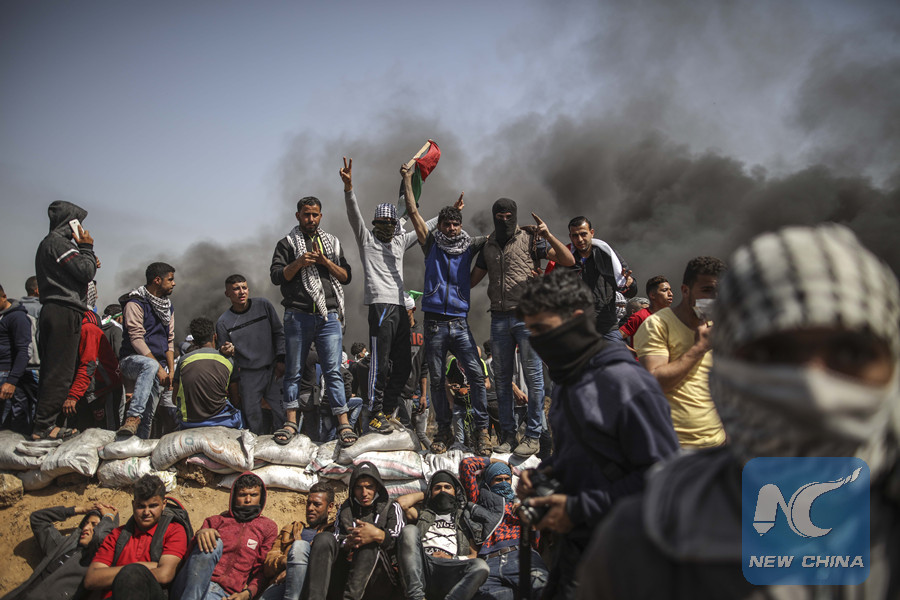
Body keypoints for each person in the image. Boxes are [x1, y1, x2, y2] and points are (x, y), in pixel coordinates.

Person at [579, 223, 900, 599]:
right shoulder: (644, 540)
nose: (814, 390)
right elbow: (654, 379)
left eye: (851, 354)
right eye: (772, 354)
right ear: (726, 375)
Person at [513, 269, 679, 599]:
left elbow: (663, 479)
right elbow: (580, 454)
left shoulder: (626, 383)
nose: (537, 342)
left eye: (543, 329)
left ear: (576, 319)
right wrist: (545, 473)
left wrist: (579, 508)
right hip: (577, 553)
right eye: (531, 332)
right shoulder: (567, 385)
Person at [470, 199, 575, 457]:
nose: (504, 220)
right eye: (499, 216)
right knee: (502, 380)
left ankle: (533, 435)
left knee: (534, 378)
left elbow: (568, 259)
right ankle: (508, 435)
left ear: (514, 216)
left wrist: (548, 236)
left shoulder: (531, 240)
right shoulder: (488, 246)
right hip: (499, 317)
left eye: (509, 216)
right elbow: (471, 280)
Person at [341, 157, 438, 435]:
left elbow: (423, 226)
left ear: (395, 223)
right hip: (380, 306)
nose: (385, 226)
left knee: (404, 364)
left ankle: (386, 410)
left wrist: (447, 214)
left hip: (399, 306)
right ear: (374, 223)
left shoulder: (399, 241)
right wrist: (349, 188)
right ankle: (374, 414)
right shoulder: (367, 240)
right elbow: (354, 215)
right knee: (379, 364)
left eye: (389, 222)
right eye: (380, 222)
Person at [400, 166, 491, 455]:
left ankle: (482, 431)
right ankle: (443, 431)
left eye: (455, 224)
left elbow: (496, 238)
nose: (451, 229)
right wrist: (407, 179)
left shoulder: (469, 245)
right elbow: (413, 213)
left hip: (460, 322)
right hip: (434, 323)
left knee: (476, 374)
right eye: (447, 224)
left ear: (460, 225)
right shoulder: (431, 244)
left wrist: (522, 231)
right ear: (439, 226)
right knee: (437, 380)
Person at [270, 195, 353, 446]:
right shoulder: (287, 244)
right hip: (298, 315)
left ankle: (344, 424)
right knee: (293, 371)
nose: (311, 219)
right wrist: (299, 262)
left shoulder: (332, 243)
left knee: (333, 372)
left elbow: (346, 276)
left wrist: (325, 262)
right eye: (306, 214)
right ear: (298, 216)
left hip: (329, 315)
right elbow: (277, 276)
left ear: (320, 216)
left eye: (315, 214)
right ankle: (290, 423)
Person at [634, 256, 728, 448]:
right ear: (685, 290)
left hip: (718, 443)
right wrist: (698, 348)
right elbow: (655, 382)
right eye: (707, 290)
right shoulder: (657, 325)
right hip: (676, 445)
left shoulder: (717, 326)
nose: (713, 298)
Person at [32, 200, 98, 440]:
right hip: (64, 311)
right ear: (70, 223)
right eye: (78, 222)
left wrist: (87, 257)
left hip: (56, 310)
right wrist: (87, 249)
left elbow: (80, 270)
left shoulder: (51, 244)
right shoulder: (59, 244)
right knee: (60, 372)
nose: (81, 228)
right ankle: (45, 426)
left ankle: (46, 424)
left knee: (53, 369)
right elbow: (85, 272)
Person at [305, 461, 405, 600]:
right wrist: (348, 543)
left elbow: (399, 539)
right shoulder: (345, 509)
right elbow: (336, 536)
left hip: (379, 578)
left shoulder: (391, 507)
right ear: (352, 488)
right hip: (346, 571)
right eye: (359, 487)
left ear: (377, 487)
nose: (364, 493)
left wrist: (378, 535)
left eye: (369, 487)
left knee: (368, 543)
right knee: (323, 538)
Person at [171, 472, 277, 600]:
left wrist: (247, 594)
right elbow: (190, 558)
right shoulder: (215, 521)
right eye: (242, 495)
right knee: (213, 540)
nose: (248, 500)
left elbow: (261, 570)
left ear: (261, 497)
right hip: (189, 585)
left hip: (222, 594)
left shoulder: (267, 528)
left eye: (254, 495)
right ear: (234, 497)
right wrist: (200, 535)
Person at [85, 474, 190, 600]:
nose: (146, 512)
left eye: (153, 506)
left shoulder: (174, 531)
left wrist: (129, 572)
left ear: (163, 504)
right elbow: (92, 579)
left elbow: (165, 575)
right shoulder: (117, 534)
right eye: (141, 506)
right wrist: (142, 567)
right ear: (133, 504)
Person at [457, 457, 548, 600]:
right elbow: (466, 465)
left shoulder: (520, 504)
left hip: (521, 556)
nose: (504, 483)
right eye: (498, 480)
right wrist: (499, 462)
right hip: (489, 562)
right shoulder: (479, 500)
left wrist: (526, 512)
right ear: (488, 482)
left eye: (507, 479)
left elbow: (537, 541)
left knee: (544, 591)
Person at [395, 470, 492, 600]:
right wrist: (427, 494)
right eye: (437, 488)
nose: (443, 491)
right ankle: (416, 597)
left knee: (481, 566)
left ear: (455, 492)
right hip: (424, 565)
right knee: (409, 530)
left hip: (450, 567)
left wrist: (451, 558)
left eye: (447, 487)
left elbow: (473, 555)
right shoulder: (424, 514)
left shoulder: (464, 518)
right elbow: (402, 503)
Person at [0, 502, 118, 600]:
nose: (86, 528)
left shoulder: (95, 562)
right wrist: (80, 509)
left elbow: (100, 538)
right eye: (86, 523)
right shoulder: (62, 545)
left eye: (94, 525)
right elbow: (37, 519)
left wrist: (108, 517)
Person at [216, 274, 286, 434]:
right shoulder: (223, 322)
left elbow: (279, 332)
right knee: (253, 417)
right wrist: (225, 351)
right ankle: (256, 445)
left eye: (244, 288)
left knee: (282, 412)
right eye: (236, 289)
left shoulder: (263, 305)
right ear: (227, 293)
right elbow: (224, 351)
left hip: (273, 370)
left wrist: (281, 359)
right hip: (248, 375)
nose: (241, 292)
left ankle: (284, 442)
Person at [117, 262, 176, 438]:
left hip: (158, 367)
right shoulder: (135, 303)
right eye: (170, 279)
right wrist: (159, 369)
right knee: (149, 365)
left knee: (149, 415)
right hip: (132, 361)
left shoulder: (167, 307)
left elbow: (169, 340)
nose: (173, 283)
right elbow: (136, 339)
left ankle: (139, 442)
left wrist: (171, 371)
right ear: (157, 280)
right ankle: (133, 417)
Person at [564, 217, 636, 343]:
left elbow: (630, 290)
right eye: (575, 235)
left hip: (607, 326)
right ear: (570, 237)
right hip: (578, 328)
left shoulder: (607, 255)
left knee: (616, 355)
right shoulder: (565, 258)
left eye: (583, 234)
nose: (579, 239)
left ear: (591, 233)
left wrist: (629, 284)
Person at [261, 483, 336, 600]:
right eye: (308, 503)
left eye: (317, 504)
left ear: (330, 507)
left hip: (314, 588)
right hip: (283, 584)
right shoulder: (291, 530)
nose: (310, 508)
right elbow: (268, 565)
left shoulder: (332, 534)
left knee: (300, 546)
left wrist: (301, 569)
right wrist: (289, 564)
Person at [172, 317, 243, 429]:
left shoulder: (184, 360)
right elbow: (235, 399)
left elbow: (174, 399)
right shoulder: (228, 361)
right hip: (221, 420)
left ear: (194, 341)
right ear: (215, 336)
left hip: (189, 422)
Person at [66, 309, 122, 431]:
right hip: (89, 389)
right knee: (85, 430)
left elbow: (88, 364)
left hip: (104, 389)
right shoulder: (77, 329)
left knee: (108, 433)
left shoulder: (88, 329)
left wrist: (73, 395)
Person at [0, 284, 39, 435]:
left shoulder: (17, 317)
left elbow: (24, 351)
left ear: (4, 297)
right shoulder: (4, 317)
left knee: (8, 423)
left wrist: (11, 381)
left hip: (7, 376)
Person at [396, 292, 430, 448]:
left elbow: (424, 366)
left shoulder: (422, 332)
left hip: (415, 389)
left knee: (418, 432)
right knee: (403, 431)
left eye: (405, 311)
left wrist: (423, 395)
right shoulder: (396, 331)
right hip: (398, 390)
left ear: (413, 310)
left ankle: (424, 453)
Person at [618, 275, 673, 348]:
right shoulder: (640, 316)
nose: (670, 294)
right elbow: (615, 338)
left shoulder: (673, 317)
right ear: (652, 295)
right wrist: (634, 352)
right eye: (664, 290)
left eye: (670, 290)